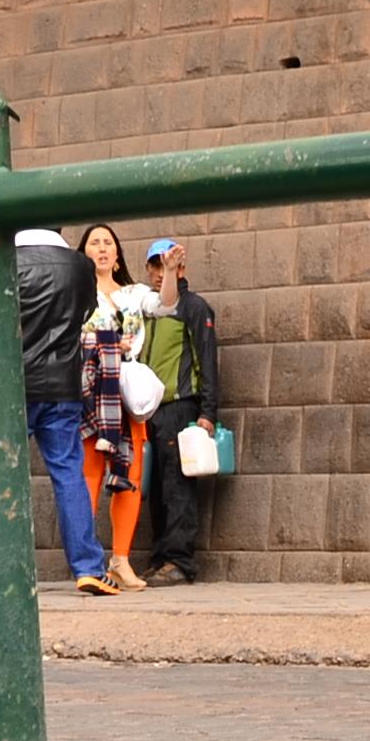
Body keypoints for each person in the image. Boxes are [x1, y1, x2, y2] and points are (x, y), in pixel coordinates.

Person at [12, 224, 123, 592]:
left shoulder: (5, 259)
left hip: (11, 385)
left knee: (2, 475)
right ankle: (88, 567)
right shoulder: (79, 266)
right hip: (62, 384)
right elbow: (86, 311)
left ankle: (6, 567)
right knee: (68, 473)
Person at [74, 224, 156, 596]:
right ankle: (87, 561)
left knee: (131, 477)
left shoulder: (134, 293)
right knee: (88, 475)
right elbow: (67, 336)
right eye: (95, 243)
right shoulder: (75, 293)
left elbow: (166, 304)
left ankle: (120, 560)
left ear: (118, 254)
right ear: (83, 253)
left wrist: (169, 272)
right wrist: (107, 343)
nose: (103, 248)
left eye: (108, 243)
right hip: (92, 388)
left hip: (125, 391)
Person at [135, 237, 221, 583]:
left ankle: (179, 562)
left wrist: (208, 412)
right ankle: (161, 557)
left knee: (177, 486)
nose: (160, 272)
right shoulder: (147, 309)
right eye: (155, 265)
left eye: (167, 264)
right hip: (148, 410)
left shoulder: (194, 308)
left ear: (182, 268)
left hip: (180, 407)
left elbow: (209, 361)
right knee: (155, 488)